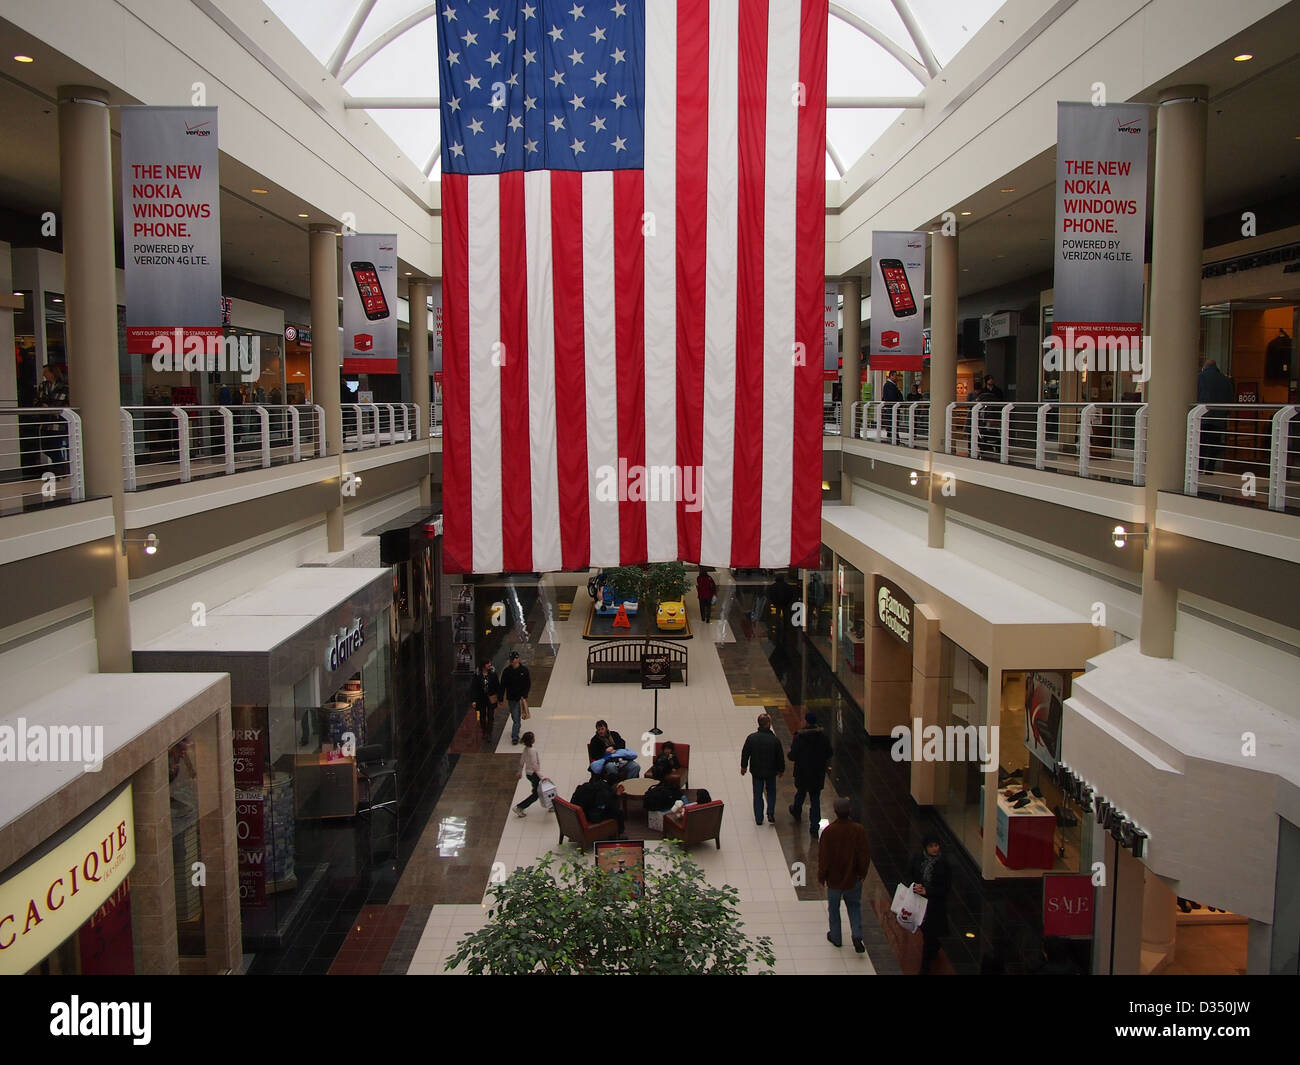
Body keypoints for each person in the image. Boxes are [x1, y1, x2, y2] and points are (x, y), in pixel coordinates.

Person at [818, 797, 871, 952]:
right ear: (850, 811)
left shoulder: (829, 832)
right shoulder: (858, 830)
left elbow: (823, 857)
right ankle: (856, 934)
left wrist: (822, 876)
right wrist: (862, 873)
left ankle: (836, 937)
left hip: (834, 879)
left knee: (834, 908)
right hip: (853, 878)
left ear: (835, 811)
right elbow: (864, 854)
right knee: (854, 906)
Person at [907, 834, 952, 974]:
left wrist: (928, 890)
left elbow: (946, 887)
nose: (934, 849)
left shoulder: (944, 864)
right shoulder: (917, 859)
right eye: (931, 846)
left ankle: (925, 966)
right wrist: (915, 886)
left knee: (929, 934)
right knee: (928, 933)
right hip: (920, 902)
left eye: (936, 845)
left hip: (934, 905)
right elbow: (910, 874)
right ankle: (934, 947)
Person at [788, 712, 833, 837]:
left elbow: (792, 756)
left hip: (802, 772)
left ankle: (797, 811)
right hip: (817, 773)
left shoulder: (799, 737)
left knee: (801, 793)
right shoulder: (823, 737)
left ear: (806, 722)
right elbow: (829, 752)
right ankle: (814, 826)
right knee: (815, 799)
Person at [740, 712, 785, 826]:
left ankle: (759, 818)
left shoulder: (752, 738)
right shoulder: (774, 740)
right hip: (771, 771)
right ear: (768, 724)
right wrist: (781, 769)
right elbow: (780, 756)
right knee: (771, 791)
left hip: (756, 771)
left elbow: (745, 753)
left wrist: (743, 766)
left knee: (757, 794)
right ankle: (770, 812)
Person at [1197, 358, 1232, 472]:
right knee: (1215, 443)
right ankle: (1211, 466)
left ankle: (1200, 465)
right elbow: (1230, 398)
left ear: (1204, 367)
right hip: (1219, 417)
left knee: (1200, 442)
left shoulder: (1200, 377)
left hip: (1202, 416)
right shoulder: (1225, 380)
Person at [500, 651, 531, 745]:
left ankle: (515, 736)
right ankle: (517, 727)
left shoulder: (524, 670)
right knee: (514, 715)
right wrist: (500, 698)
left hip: (520, 697)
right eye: (511, 659)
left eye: (514, 659)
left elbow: (528, 684)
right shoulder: (506, 671)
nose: (512, 661)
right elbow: (502, 685)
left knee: (516, 718)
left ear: (518, 659)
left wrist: (524, 695)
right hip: (511, 698)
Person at [469, 659, 501, 738]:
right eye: (488, 664)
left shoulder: (493, 674)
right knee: (482, 716)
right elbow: (474, 688)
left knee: (490, 716)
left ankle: (489, 733)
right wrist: (474, 700)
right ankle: (484, 731)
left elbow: (497, 686)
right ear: (483, 665)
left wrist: (499, 698)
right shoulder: (477, 675)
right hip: (481, 699)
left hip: (491, 698)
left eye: (490, 663)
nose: (489, 665)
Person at [513, 732, 542, 817]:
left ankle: (550, 805)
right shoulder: (532, 751)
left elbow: (522, 762)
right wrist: (541, 776)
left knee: (539, 790)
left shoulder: (525, 749)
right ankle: (519, 807)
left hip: (528, 774)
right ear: (532, 740)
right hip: (534, 774)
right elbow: (534, 765)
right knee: (536, 794)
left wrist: (519, 772)